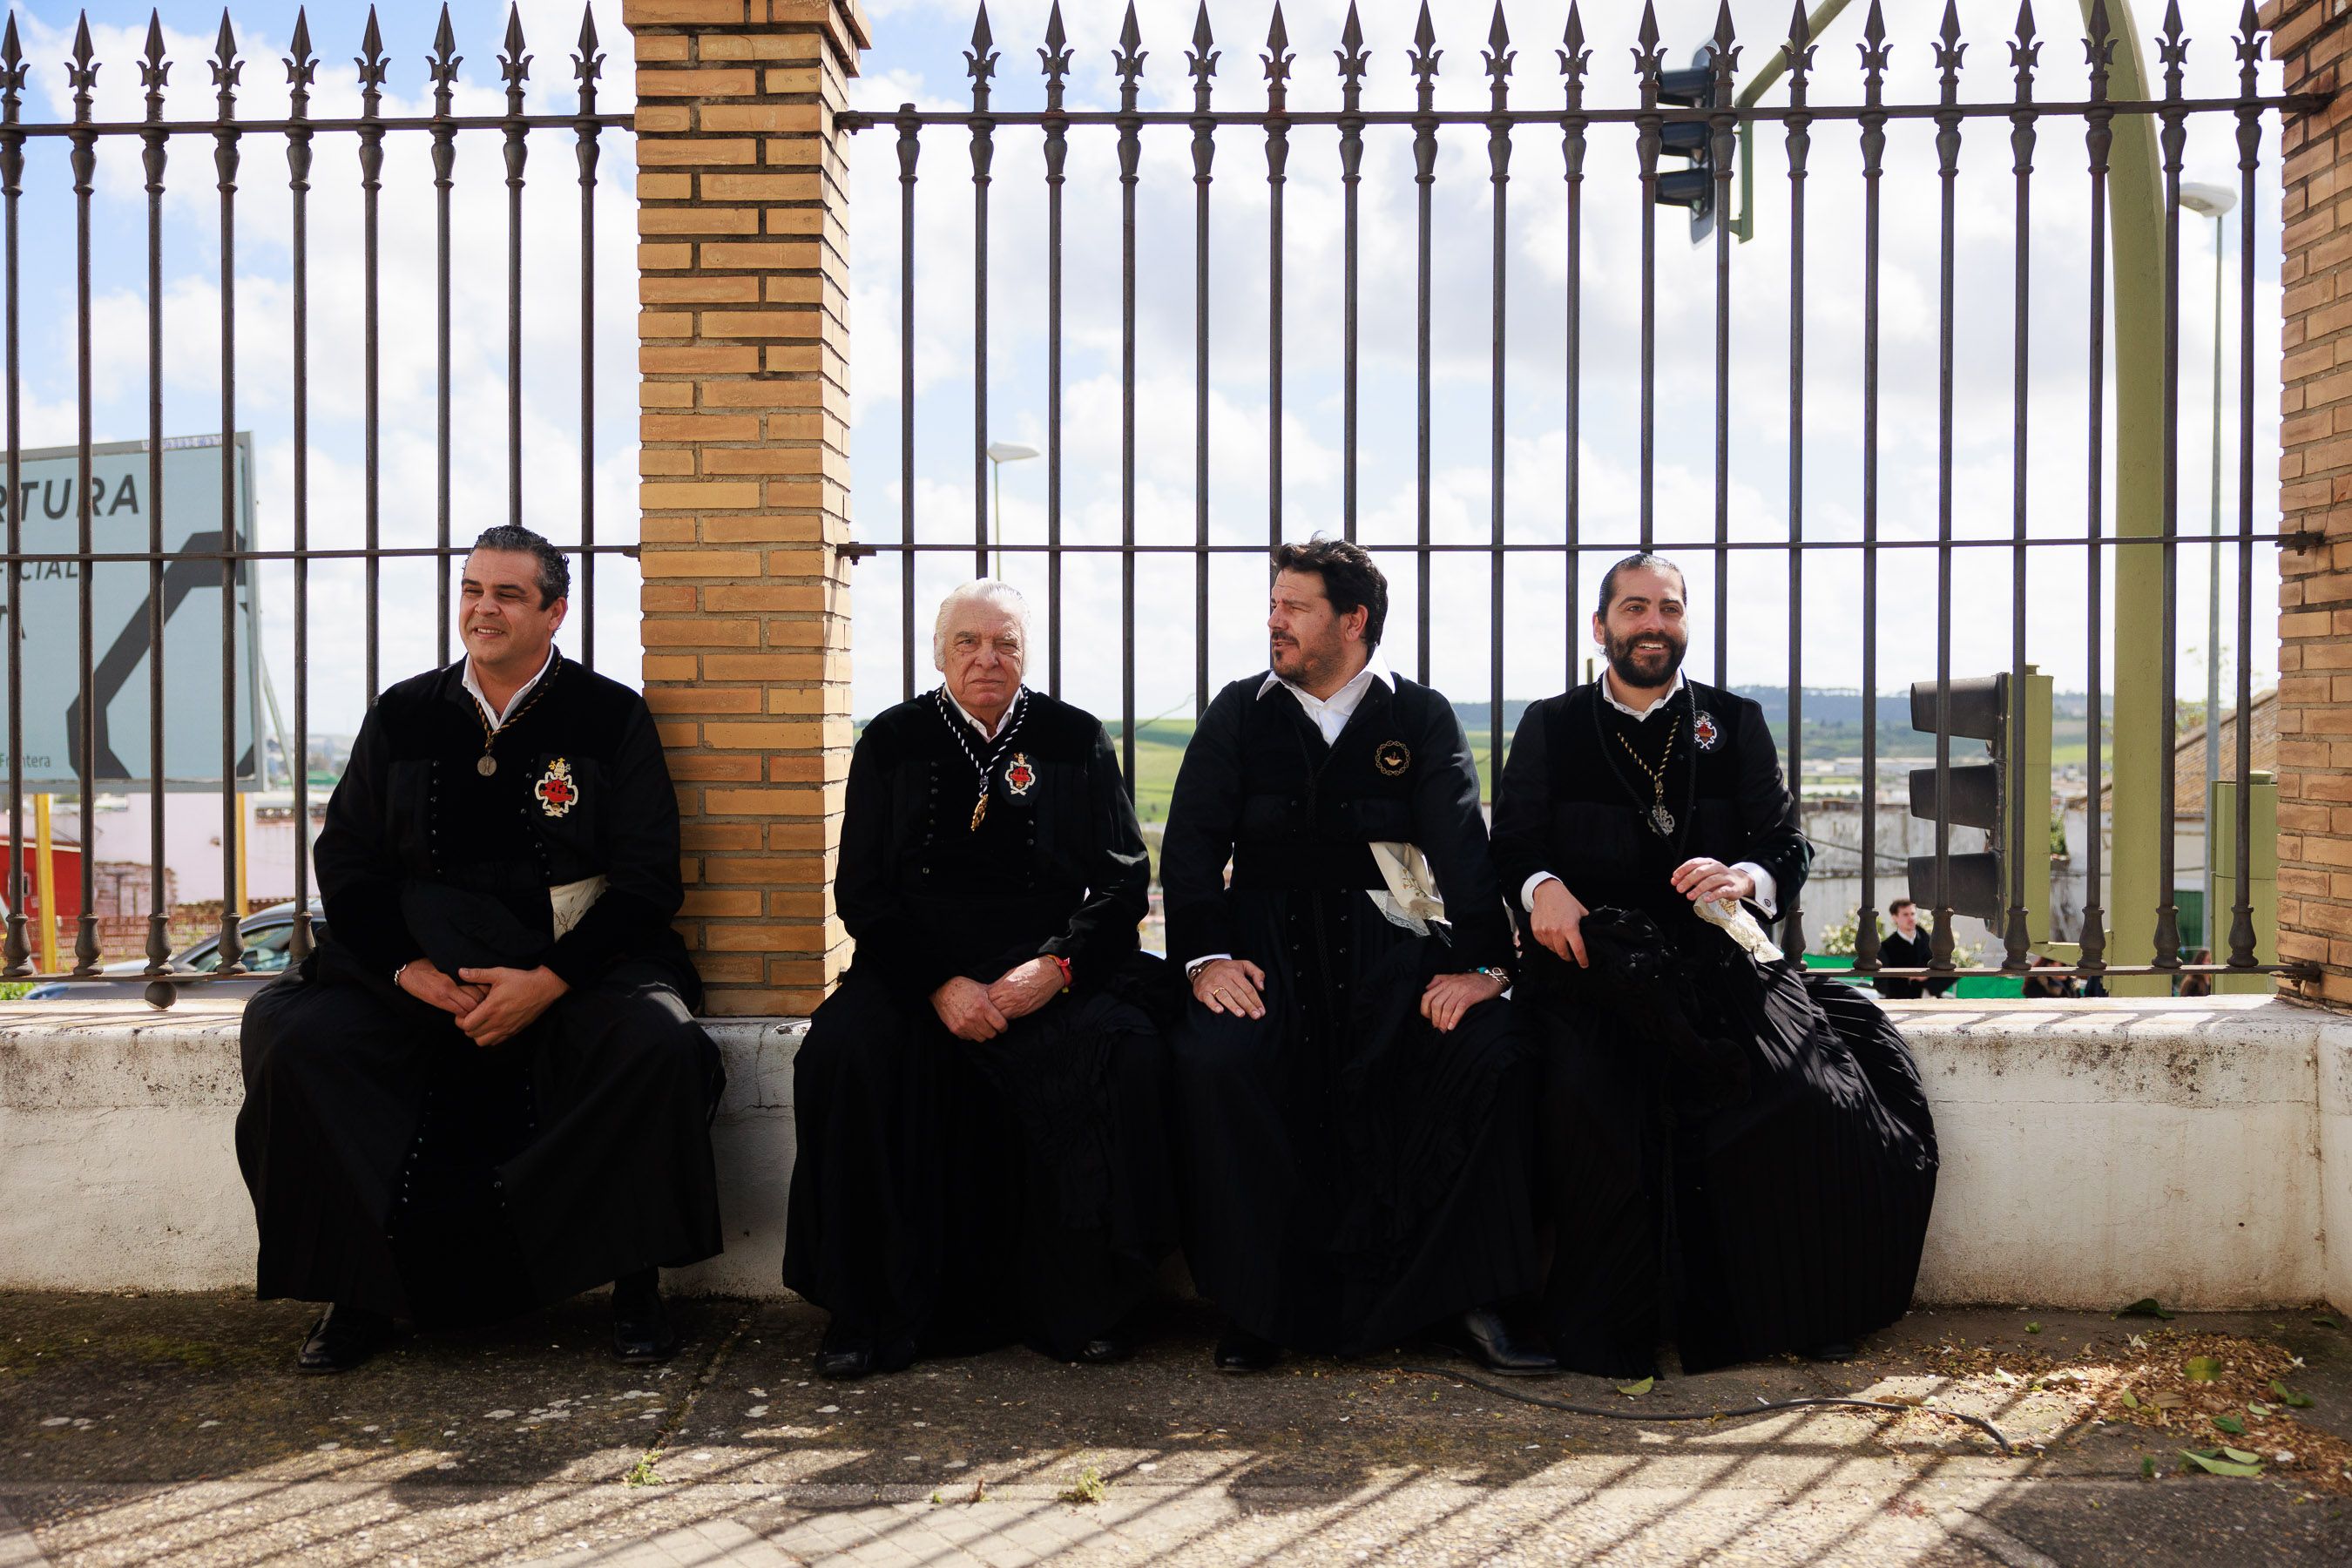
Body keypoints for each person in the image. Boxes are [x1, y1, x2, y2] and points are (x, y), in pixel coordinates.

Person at [238, 525, 725, 1374]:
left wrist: (550, 981)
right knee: (295, 1044)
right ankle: (358, 1293)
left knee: (660, 1046)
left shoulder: (610, 718)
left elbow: (649, 882)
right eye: (472, 590)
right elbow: (346, 860)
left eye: (506, 594)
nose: (482, 609)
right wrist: (408, 970)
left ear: (555, 611)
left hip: (572, 964)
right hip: (419, 974)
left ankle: (634, 1286)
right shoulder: (404, 712)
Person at [1491, 551, 1938, 1379]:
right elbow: (1512, 842)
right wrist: (1542, 886)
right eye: (1633, 609)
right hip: (1594, 968)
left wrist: (1745, 878)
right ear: (1601, 628)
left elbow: (1786, 842)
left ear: (1685, 623)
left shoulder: (1735, 722)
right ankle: (1612, 1327)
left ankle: (1805, 1306)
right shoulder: (1550, 725)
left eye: (1668, 609)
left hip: (1718, 960)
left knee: (1801, 1095)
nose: (1652, 624)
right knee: (1596, 1105)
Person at [1159, 538, 1551, 1375]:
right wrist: (1205, 960)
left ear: (1354, 620)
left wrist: (1487, 970)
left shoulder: (1419, 715)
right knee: (1215, 1059)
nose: (1274, 623)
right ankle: (1256, 1305)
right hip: (1264, 960)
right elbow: (1190, 845)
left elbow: (1459, 845)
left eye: (1293, 608)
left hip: (1393, 960)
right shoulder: (1238, 712)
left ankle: (1469, 1297)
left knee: (1494, 1057)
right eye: (1273, 606)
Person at [782, 581, 1177, 1380]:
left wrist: (1056, 969)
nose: (987, 659)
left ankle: (1092, 1301)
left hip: (1046, 966)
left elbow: (1124, 878)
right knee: (842, 1054)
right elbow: (862, 890)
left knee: (1125, 1051)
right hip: (917, 971)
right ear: (940, 653)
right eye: (968, 643)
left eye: (1005, 643)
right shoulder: (892, 740)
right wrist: (940, 984)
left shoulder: (1074, 739)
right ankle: (865, 1308)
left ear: (1027, 654)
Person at [1874, 898, 1954, 999]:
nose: (1911, 918)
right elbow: (1880, 985)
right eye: (1905, 914)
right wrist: (1906, 976)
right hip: (1901, 1004)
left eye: (1912, 914)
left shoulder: (1932, 941)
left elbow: (1948, 969)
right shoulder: (1885, 947)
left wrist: (1927, 976)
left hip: (1931, 1003)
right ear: (1895, 917)